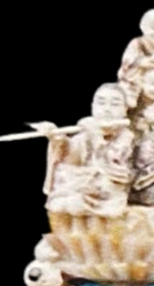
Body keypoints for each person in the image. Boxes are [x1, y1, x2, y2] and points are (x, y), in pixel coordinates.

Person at [43, 85, 135, 216]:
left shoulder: (126, 136)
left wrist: (95, 135)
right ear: (93, 107)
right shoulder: (86, 132)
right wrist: (59, 139)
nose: (107, 109)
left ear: (125, 109)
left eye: (115, 104)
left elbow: (112, 162)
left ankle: (88, 203)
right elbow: (72, 158)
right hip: (83, 180)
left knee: (106, 188)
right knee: (65, 181)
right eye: (101, 103)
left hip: (109, 182)